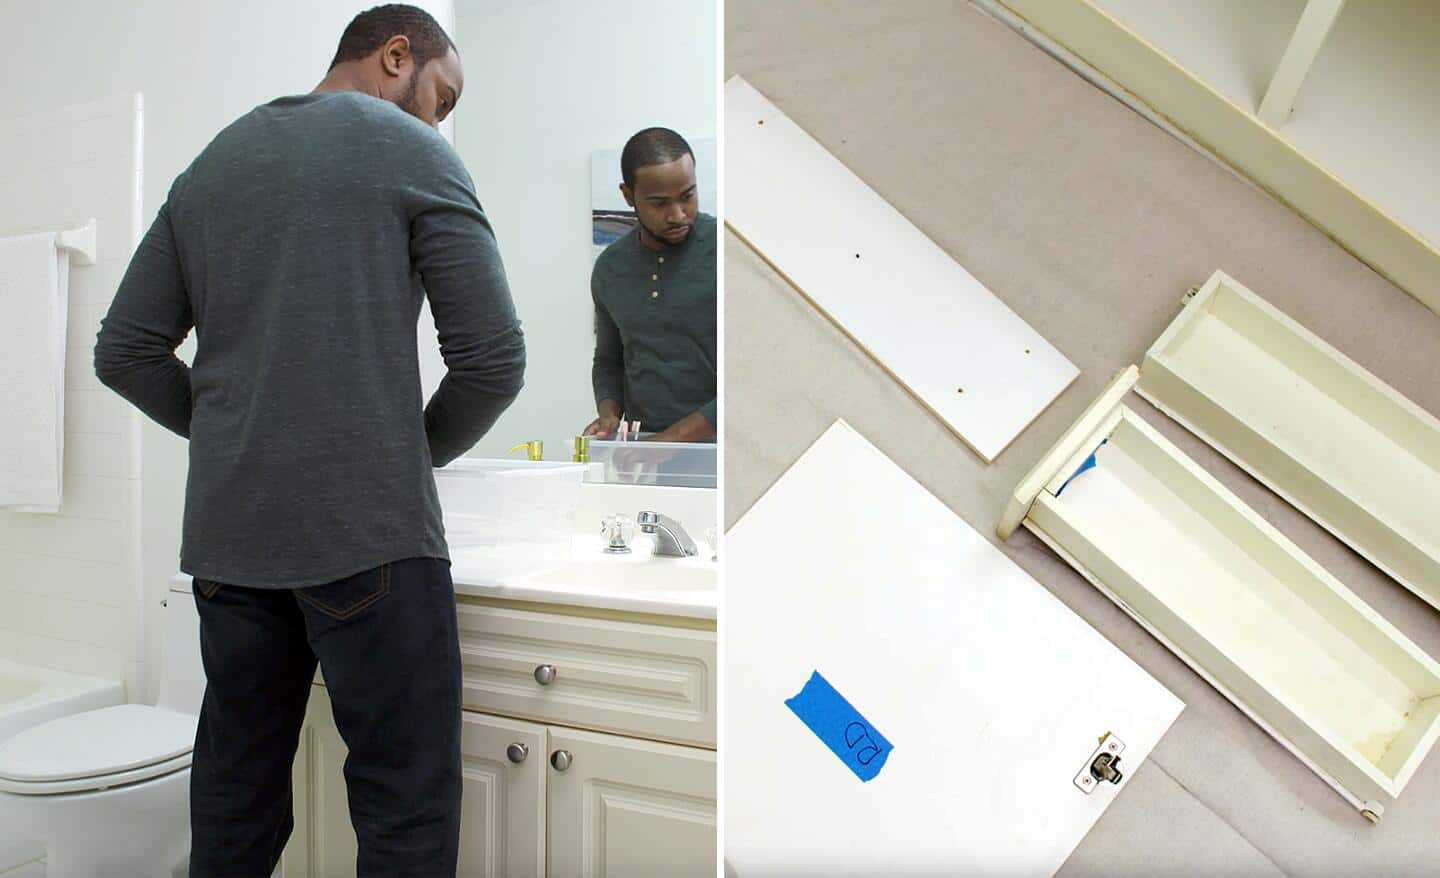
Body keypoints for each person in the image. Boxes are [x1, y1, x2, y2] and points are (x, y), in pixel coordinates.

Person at [92, 5, 524, 876]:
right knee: (405, 809)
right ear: (398, 55)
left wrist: (232, 436)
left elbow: (124, 352)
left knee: (234, 797)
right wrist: (408, 453)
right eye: (440, 98)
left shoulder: (211, 167)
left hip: (230, 548)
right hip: (368, 539)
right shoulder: (414, 153)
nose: (441, 122)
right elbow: (494, 358)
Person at [585, 127, 717, 442]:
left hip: (724, 454)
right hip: (646, 458)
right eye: (659, 203)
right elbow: (608, 361)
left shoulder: (722, 251)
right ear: (628, 196)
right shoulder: (609, 270)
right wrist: (609, 415)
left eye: (688, 196)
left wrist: (665, 443)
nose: (677, 215)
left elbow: (747, 378)